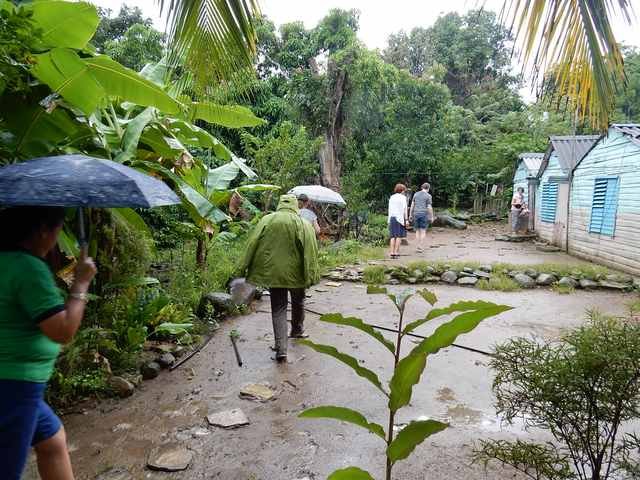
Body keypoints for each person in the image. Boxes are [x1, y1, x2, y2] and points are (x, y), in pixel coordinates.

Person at [0, 206, 97, 480]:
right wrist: (80, 285)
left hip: (13, 382)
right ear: (43, 231)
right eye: (56, 229)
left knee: (53, 440)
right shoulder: (28, 268)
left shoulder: (5, 261)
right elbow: (63, 330)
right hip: (14, 385)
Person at [240, 195, 319, 362]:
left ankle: (281, 349)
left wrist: (241, 267)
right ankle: (297, 330)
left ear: (279, 205)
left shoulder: (267, 220)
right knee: (299, 301)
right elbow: (311, 252)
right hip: (297, 274)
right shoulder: (303, 224)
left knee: (279, 308)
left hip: (274, 273)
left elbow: (252, 243)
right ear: (295, 206)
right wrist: (311, 274)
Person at [409, 182, 433, 253]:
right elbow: (429, 207)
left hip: (416, 214)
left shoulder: (416, 194)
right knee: (423, 231)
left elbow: (412, 205)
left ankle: (417, 246)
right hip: (423, 214)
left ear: (422, 187)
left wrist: (410, 214)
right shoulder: (428, 196)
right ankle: (420, 247)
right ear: (428, 188)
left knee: (417, 231)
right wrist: (431, 216)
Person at [388, 183, 408, 259]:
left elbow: (389, 209)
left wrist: (389, 220)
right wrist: (406, 219)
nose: (404, 192)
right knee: (399, 236)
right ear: (402, 190)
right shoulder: (403, 198)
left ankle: (391, 252)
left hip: (392, 218)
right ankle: (396, 252)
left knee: (392, 236)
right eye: (404, 190)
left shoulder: (392, 197)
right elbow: (405, 209)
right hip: (399, 218)